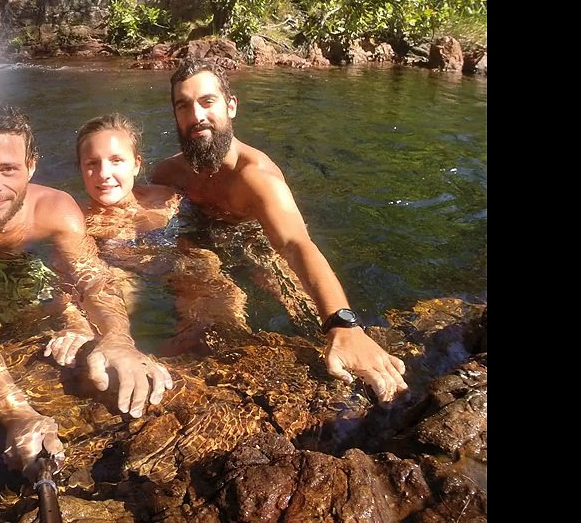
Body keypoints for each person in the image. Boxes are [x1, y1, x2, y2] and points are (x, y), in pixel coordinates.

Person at [0, 100, 173, 472]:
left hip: (34, 273)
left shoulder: (56, 209)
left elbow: (92, 278)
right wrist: (15, 411)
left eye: (8, 169)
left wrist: (117, 339)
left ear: (31, 166)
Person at [149, 58, 409, 402]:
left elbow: (295, 244)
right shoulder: (167, 174)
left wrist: (343, 324)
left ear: (231, 106)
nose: (196, 115)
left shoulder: (256, 178)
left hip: (258, 240)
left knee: (300, 307)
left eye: (207, 101)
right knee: (204, 328)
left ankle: (353, 368)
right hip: (198, 237)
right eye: (184, 105)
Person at [75, 113, 250, 352]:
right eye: (92, 163)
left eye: (116, 160)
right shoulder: (77, 219)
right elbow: (69, 270)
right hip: (121, 272)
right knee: (104, 293)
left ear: (136, 164)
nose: (104, 173)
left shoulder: (166, 197)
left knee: (207, 274)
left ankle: (222, 345)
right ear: (81, 169)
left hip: (179, 262)